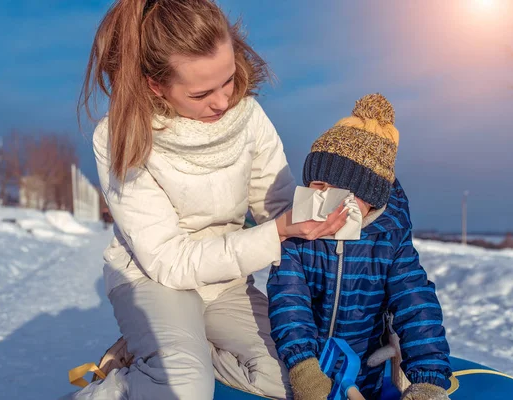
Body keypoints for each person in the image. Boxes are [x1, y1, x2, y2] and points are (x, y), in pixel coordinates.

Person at [63, 1, 348, 399]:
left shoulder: (247, 115)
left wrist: (332, 208)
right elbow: (168, 261)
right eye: (201, 92)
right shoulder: (122, 135)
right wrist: (276, 233)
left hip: (224, 281)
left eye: (229, 80)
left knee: (293, 376)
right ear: (155, 85)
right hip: (154, 279)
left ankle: (161, 352)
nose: (222, 101)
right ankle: (123, 383)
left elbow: (279, 207)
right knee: (186, 387)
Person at [267, 94, 452, 400]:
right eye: (317, 187)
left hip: (363, 375)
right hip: (306, 373)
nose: (324, 198)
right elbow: (289, 303)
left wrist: (429, 379)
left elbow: (416, 304)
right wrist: (303, 367)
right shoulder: (299, 236)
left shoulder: (389, 241)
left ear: (369, 196)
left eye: (335, 189)